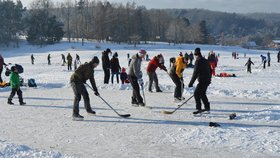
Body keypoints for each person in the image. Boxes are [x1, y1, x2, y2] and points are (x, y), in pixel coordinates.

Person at [70, 56, 100, 120]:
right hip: (74, 80)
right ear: (94, 63)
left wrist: (95, 90)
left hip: (80, 82)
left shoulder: (92, 70)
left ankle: (89, 110)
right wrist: (82, 78)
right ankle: (75, 114)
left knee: (86, 95)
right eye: (97, 64)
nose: (97, 66)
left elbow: (92, 80)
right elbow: (76, 71)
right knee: (77, 96)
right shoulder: (86, 65)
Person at [188, 48, 212, 114]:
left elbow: (195, 73)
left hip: (202, 80)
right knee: (202, 93)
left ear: (195, 55)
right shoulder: (205, 60)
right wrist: (209, 79)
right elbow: (210, 70)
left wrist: (191, 83)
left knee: (196, 94)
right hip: (207, 80)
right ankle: (207, 107)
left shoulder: (198, 61)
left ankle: (199, 109)